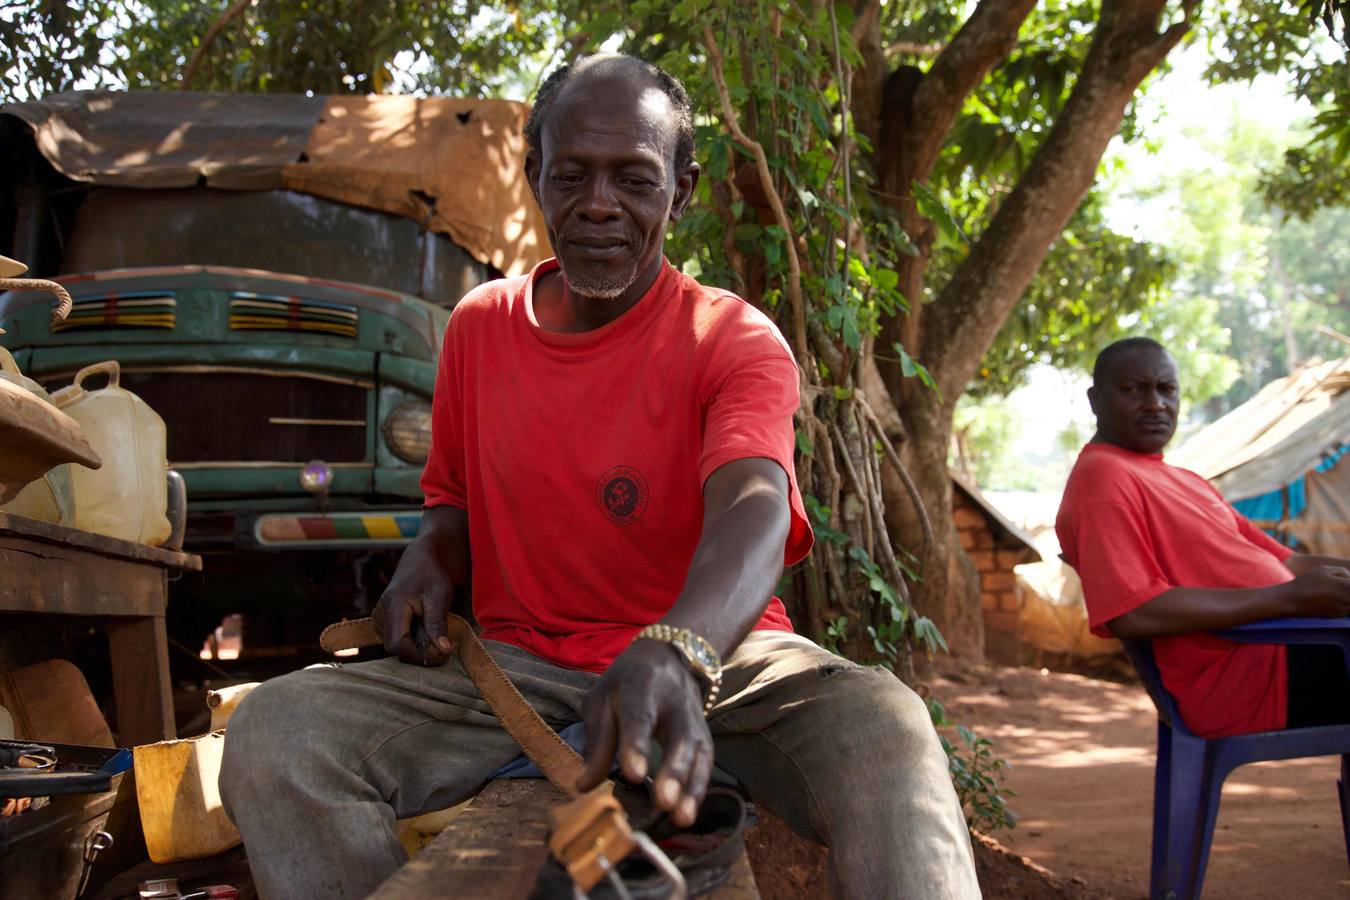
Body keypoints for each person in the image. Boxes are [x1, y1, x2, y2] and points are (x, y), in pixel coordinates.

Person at [220, 54, 979, 899]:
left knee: (890, 730)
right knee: (275, 736)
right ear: (532, 171)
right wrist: (427, 560)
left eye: (635, 180)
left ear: (682, 193)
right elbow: (452, 503)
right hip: (517, 670)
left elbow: (754, 510)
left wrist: (680, 649)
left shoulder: (732, 339)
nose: (599, 206)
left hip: (722, 664)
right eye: (572, 175)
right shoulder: (479, 327)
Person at [1057, 336, 1350, 738]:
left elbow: (1288, 562)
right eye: (1133, 390)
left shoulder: (1184, 480)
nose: (1156, 404)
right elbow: (1132, 611)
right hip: (1249, 678)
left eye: (1167, 389)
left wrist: (1309, 586)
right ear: (1095, 400)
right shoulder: (1103, 477)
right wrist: (1288, 598)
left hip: (1296, 648)